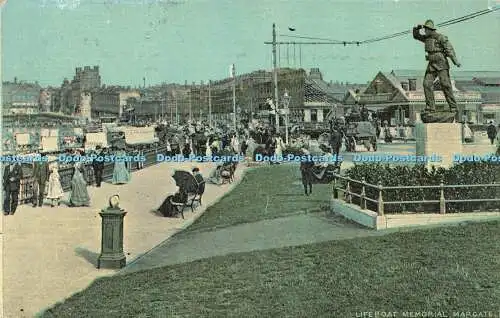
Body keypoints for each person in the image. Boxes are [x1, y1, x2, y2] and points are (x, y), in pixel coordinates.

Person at [413, 19, 461, 112]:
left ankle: (453, 107)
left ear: (430, 29)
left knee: (445, 85)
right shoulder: (426, 38)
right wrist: (417, 28)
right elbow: (416, 36)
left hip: (441, 63)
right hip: (431, 64)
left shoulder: (441, 37)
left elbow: (449, 49)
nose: (425, 31)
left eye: (426, 29)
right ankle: (430, 107)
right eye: (424, 29)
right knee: (426, 84)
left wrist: (455, 61)